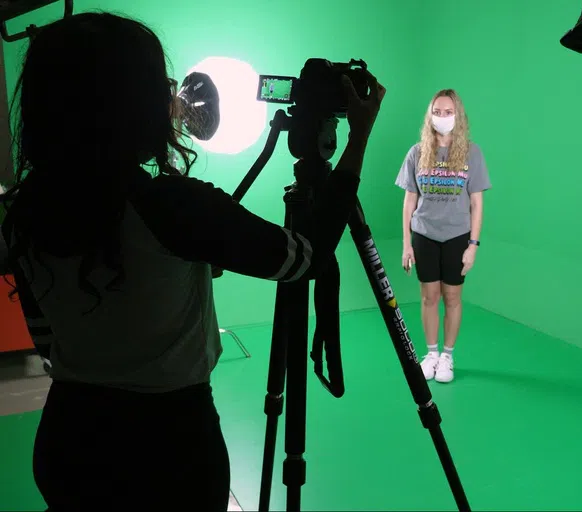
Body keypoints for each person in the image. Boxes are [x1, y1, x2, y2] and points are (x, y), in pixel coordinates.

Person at [0, 12, 385, 511]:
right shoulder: (176, 205)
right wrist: (357, 140)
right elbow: (304, 258)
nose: (171, 94)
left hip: (69, 440)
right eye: (158, 82)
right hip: (170, 451)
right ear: (131, 104)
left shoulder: (24, 212)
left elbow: (47, 337)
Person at [395, 89, 491, 384]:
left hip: (457, 236)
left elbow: (476, 203)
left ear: (458, 115)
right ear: (430, 115)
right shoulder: (417, 152)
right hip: (424, 234)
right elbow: (410, 200)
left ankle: (448, 356)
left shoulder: (472, 153)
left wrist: (473, 245)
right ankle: (432, 354)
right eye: (437, 111)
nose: (442, 117)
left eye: (448, 112)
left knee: (452, 297)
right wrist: (407, 244)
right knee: (428, 297)